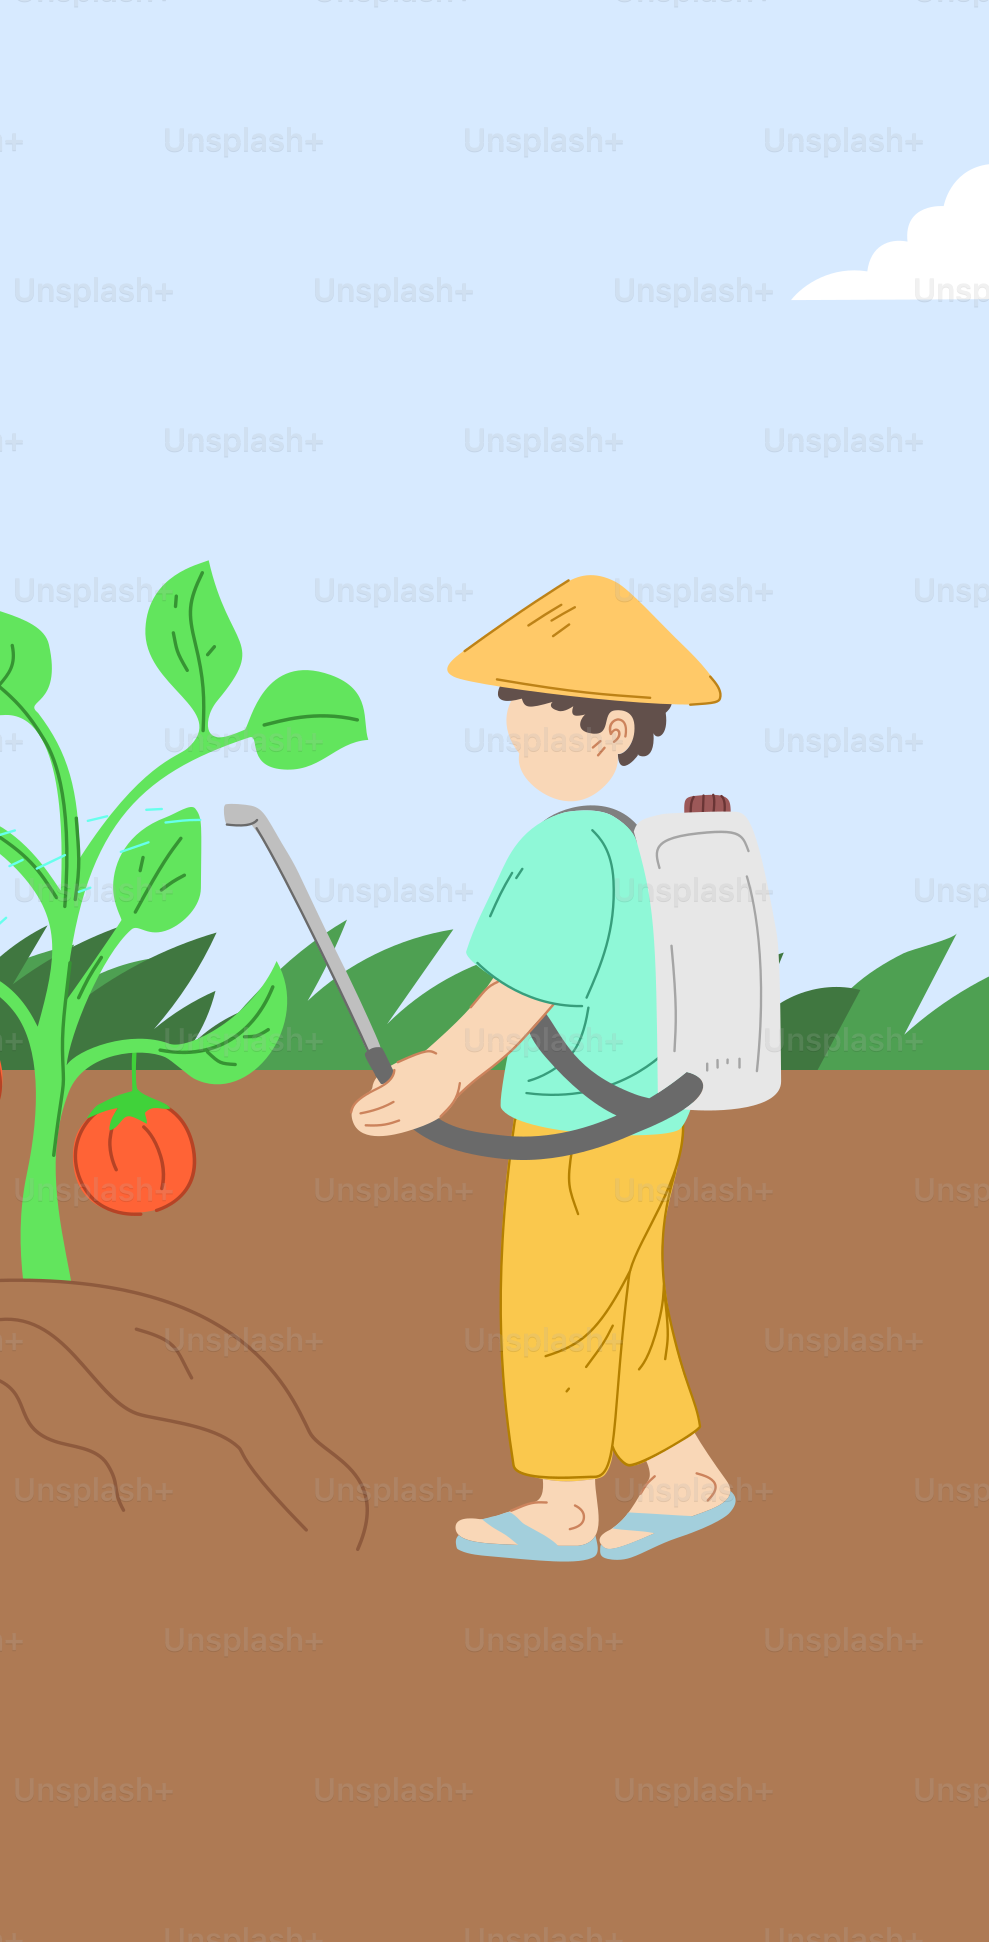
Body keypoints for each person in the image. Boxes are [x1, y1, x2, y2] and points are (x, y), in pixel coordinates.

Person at [351, 576, 737, 1563]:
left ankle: (565, 1504)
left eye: (538, 736)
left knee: (551, 1309)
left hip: (577, 1120)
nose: (524, 757)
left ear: (611, 729)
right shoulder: (637, 846)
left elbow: (522, 992)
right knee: (623, 1298)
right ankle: (683, 1471)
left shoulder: (569, 846)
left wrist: (439, 1071)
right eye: (516, 736)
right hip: (646, 1114)